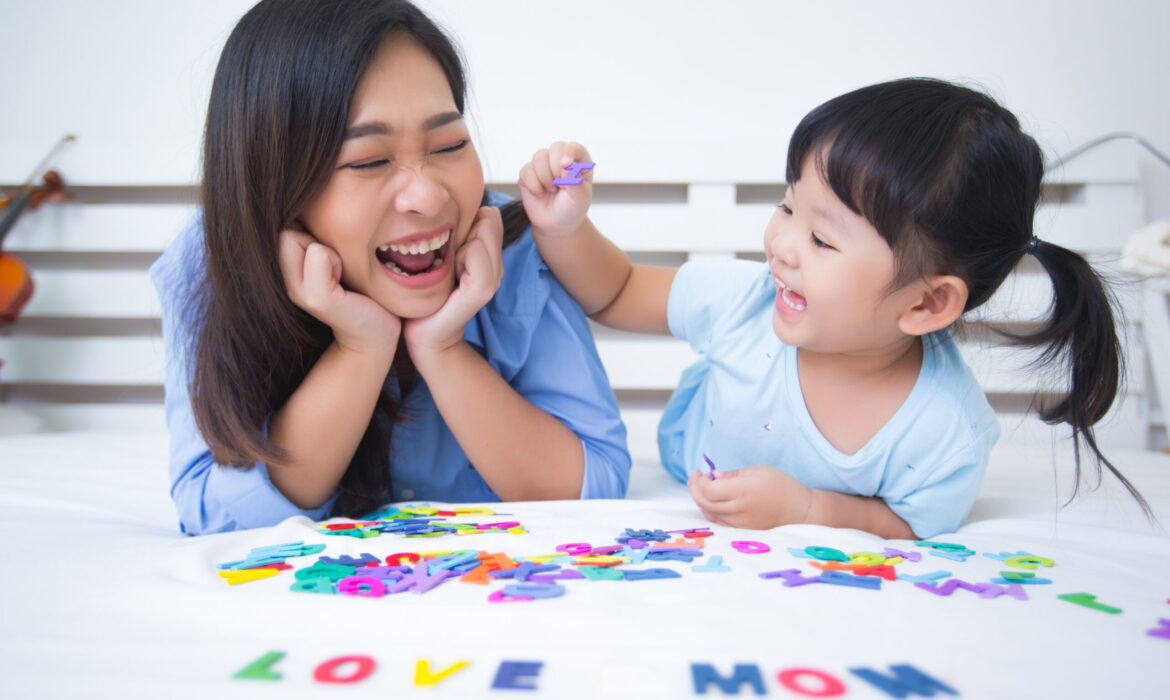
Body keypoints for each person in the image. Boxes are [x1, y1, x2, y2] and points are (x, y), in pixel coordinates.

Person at [519, 78, 1149, 539]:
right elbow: (618, 290)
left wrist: (808, 510)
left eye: (822, 239)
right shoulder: (745, 304)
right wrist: (566, 228)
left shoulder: (943, 435)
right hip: (683, 473)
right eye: (789, 207)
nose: (783, 246)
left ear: (929, 302)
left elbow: (906, 523)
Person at [150, 0, 629, 536]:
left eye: (449, 144)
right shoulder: (213, 261)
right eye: (369, 161)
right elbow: (212, 514)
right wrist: (360, 349)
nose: (428, 197)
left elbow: (596, 482)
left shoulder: (511, 246)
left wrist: (442, 349)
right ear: (274, 187)